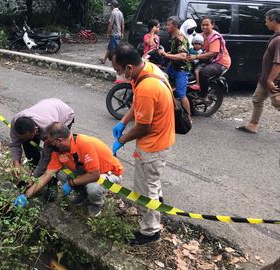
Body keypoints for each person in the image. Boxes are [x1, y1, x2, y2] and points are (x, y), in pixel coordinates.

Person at [110, 42, 175, 245]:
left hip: (153, 144)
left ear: (129, 67)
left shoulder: (147, 86)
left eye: (119, 70)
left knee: (144, 189)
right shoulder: (148, 69)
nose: (119, 75)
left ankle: (150, 231)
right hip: (163, 137)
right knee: (152, 182)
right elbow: (139, 104)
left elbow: (143, 127)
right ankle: (158, 203)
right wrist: (123, 121)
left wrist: (121, 140)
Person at [14, 122, 124, 218]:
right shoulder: (58, 152)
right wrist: (26, 195)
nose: (47, 144)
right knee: (59, 173)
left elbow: (94, 175)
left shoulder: (85, 144)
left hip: (109, 173)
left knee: (93, 187)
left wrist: (71, 183)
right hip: (86, 173)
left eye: (49, 141)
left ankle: (96, 204)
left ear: (58, 141)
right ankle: (83, 194)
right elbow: (46, 175)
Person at [236, 8, 280, 134]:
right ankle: (252, 125)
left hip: (273, 79)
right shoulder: (275, 37)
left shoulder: (279, 40)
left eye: (267, 21)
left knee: (277, 102)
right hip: (265, 78)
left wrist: (271, 79)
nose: (265, 23)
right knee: (257, 99)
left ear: (274, 21)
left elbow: (278, 63)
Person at [9, 98, 75, 177]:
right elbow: (14, 144)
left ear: (36, 130)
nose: (25, 139)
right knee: (28, 147)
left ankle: (51, 181)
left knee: (56, 151)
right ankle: (35, 171)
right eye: (23, 137)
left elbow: (46, 157)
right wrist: (16, 163)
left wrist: (34, 178)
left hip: (64, 113)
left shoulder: (48, 129)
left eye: (28, 137)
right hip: (45, 108)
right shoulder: (16, 122)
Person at [186, 17, 231, 104]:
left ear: (212, 25)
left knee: (204, 72)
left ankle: (204, 96)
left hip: (220, 62)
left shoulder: (215, 37)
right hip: (208, 60)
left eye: (207, 25)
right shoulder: (201, 35)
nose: (204, 27)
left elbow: (213, 53)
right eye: (203, 25)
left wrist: (196, 57)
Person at [158, 16, 191, 120]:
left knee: (182, 94)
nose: (166, 27)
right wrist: (164, 53)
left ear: (175, 26)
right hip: (173, 66)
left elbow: (182, 56)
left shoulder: (180, 39)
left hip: (181, 69)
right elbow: (174, 52)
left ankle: (188, 117)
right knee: (161, 83)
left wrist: (167, 55)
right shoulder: (173, 37)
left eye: (168, 25)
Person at [98, 0, 124, 64]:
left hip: (114, 34)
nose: (110, 7)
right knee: (109, 48)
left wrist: (108, 32)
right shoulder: (120, 13)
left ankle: (120, 62)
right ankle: (104, 59)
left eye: (110, 5)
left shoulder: (113, 13)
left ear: (113, 5)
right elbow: (123, 24)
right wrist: (122, 33)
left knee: (116, 50)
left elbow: (111, 24)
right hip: (119, 34)